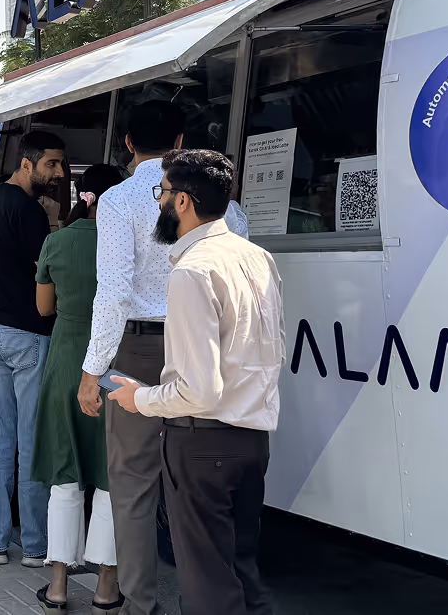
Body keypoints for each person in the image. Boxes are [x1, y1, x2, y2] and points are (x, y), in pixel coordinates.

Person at [81, 100, 249, 615]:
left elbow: (112, 293)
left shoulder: (117, 200)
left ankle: (140, 604)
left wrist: (92, 370)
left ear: (128, 143)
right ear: (180, 142)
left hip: (136, 349)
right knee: (199, 478)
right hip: (203, 348)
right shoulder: (224, 205)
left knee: (133, 481)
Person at [106, 150, 283, 615]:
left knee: (208, 588)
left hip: (203, 441)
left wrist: (140, 398)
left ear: (183, 201)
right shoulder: (258, 258)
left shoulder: (192, 270)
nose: (159, 201)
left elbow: (198, 390)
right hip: (253, 438)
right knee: (242, 578)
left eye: (162, 192)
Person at [31, 164, 127, 612]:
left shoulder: (57, 241)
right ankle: (106, 587)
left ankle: (57, 585)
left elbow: (43, 308)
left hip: (67, 361)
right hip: (114, 365)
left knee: (65, 473)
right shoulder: (126, 241)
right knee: (111, 474)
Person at [0, 130, 66, 568]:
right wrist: (54, 226)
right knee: (30, 443)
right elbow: (47, 273)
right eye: (51, 164)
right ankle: (34, 545)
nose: (58, 173)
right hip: (28, 332)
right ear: (26, 164)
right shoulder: (30, 212)